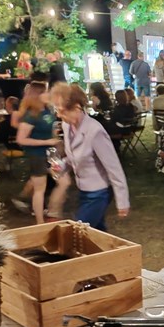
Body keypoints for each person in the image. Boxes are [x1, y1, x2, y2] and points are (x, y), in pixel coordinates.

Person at [50, 83, 130, 230]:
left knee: (77, 232)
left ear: (76, 108)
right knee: (97, 233)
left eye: (61, 111)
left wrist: (122, 201)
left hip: (99, 192)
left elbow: (114, 167)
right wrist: (62, 165)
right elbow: (73, 156)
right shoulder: (67, 126)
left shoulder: (95, 131)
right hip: (83, 190)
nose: (58, 115)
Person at [14, 82, 59, 224]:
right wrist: (46, 142)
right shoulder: (30, 116)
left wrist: (55, 135)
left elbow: (49, 128)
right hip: (37, 155)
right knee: (40, 189)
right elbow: (21, 139)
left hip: (50, 153)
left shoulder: (47, 110)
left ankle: (51, 210)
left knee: (62, 180)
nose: (48, 94)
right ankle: (40, 221)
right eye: (45, 91)